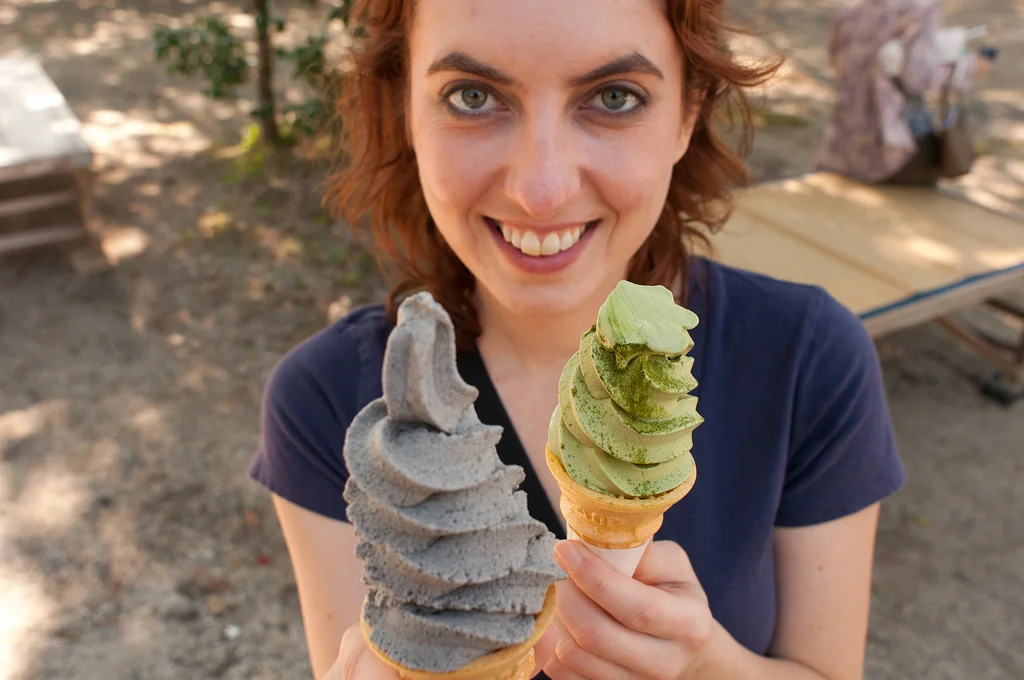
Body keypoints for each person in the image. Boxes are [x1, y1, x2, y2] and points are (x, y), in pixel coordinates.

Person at [249, 0, 907, 678]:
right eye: (471, 96)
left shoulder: (808, 360)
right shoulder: (326, 404)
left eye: (614, 97)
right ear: (402, 111)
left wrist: (706, 665)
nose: (542, 189)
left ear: (689, 111)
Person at [815, 0, 995, 184]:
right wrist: (970, 68)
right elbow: (918, 77)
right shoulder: (919, 7)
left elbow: (838, 64)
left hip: (843, 144)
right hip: (894, 147)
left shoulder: (851, 7)